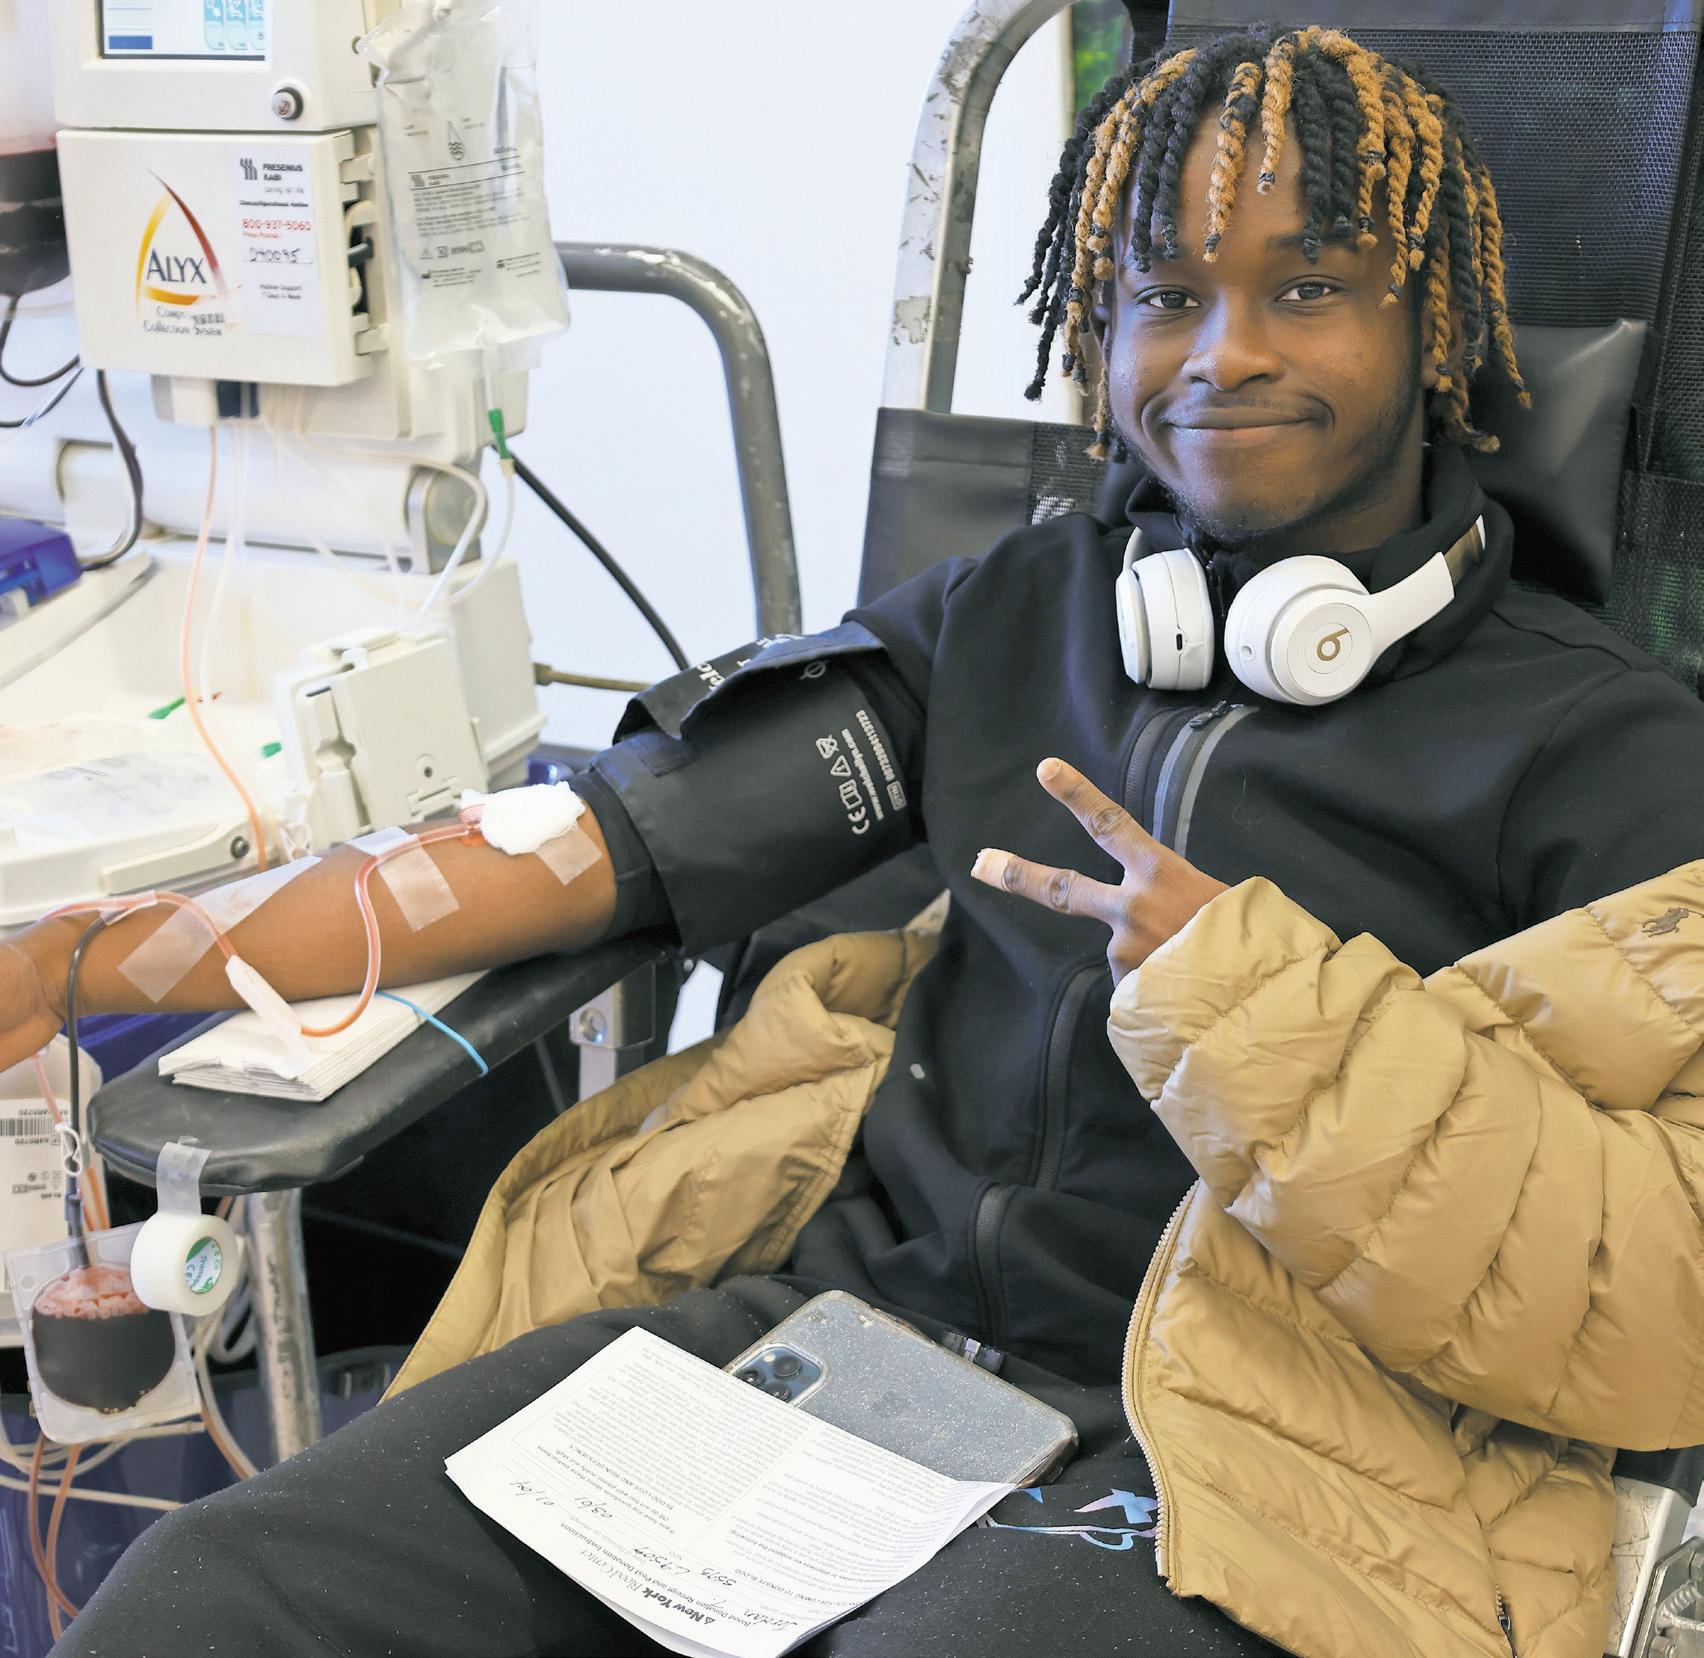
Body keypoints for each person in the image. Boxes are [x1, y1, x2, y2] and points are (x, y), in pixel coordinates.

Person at [10, 24, 1704, 1657]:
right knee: (217, 1590)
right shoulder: (1022, 612)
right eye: (1164, 296)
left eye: (1309, 288)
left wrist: (1264, 1009)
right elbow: (591, 843)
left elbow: (1665, 1289)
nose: (1222, 354)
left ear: (1440, 324)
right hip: (849, 1345)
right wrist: (78, 963)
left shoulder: (1602, 746)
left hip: (1249, 1451)